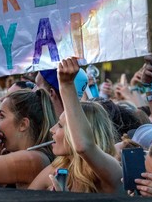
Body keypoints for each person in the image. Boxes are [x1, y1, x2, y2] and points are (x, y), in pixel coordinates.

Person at [29, 57, 122, 193]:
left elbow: (84, 146)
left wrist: (66, 85)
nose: (52, 130)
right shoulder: (58, 168)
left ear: (87, 131)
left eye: (61, 126)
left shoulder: (112, 169)